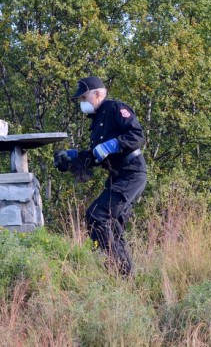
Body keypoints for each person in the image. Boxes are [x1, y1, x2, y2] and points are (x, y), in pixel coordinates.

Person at [55, 76, 147, 277]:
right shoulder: (96, 122)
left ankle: (116, 270)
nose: (82, 103)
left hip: (131, 173)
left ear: (97, 93)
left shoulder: (116, 108)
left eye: (83, 97)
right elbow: (96, 157)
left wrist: (113, 144)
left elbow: (137, 135)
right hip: (117, 175)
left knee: (97, 215)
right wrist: (73, 158)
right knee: (112, 226)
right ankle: (124, 277)